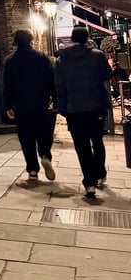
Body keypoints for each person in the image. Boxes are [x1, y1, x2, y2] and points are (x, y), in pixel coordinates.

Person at [54, 25, 112, 198]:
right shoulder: (97, 56)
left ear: (71, 38)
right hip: (96, 106)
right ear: (87, 38)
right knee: (97, 140)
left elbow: (60, 86)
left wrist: (62, 108)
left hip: (74, 108)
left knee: (82, 146)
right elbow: (107, 75)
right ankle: (100, 172)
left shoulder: (62, 58)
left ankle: (89, 183)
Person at [2, 29, 58, 182]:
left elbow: (7, 85)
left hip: (21, 105)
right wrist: (56, 101)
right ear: (31, 40)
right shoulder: (41, 58)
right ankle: (45, 155)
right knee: (43, 133)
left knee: (26, 137)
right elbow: (51, 80)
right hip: (41, 103)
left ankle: (33, 169)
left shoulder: (10, 60)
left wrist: (8, 105)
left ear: (15, 41)